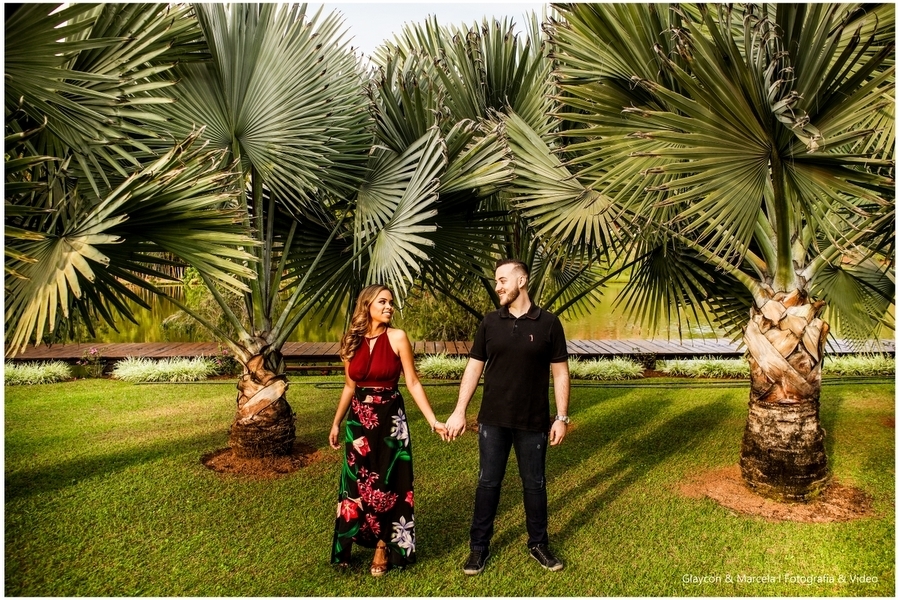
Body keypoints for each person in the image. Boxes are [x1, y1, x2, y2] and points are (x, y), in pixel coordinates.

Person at [445, 258, 571, 575]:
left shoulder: (549, 323)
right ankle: (478, 549)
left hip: (533, 422)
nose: (498, 286)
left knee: (535, 484)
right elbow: (474, 367)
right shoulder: (490, 322)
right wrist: (460, 410)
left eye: (502, 280)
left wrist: (562, 417)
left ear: (522, 280)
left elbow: (560, 373)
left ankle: (538, 544)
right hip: (493, 421)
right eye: (497, 281)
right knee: (488, 483)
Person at [329, 284, 448, 576]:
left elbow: (413, 382)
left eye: (391, 303)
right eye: (382, 302)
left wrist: (433, 420)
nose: (389, 307)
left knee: (388, 485)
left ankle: (384, 545)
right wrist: (336, 421)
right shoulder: (351, 341)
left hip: (389, 420)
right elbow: (349, 386)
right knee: (355, 484)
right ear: (367, 305)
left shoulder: (397, 338)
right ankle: (347, 544)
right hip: (358, 422)